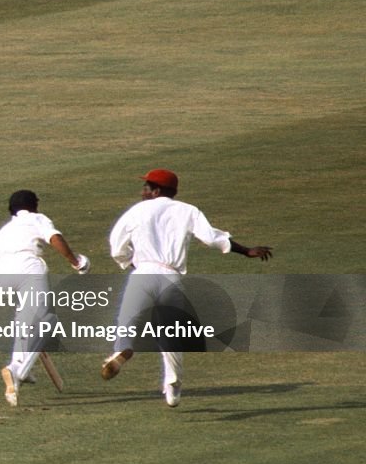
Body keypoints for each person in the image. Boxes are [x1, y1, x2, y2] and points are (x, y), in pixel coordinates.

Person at [102, 169, 272, 407]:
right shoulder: (188, 210)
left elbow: (116, 245)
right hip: (170, 276)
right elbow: (212, 237)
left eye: (146, 187)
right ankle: (172, 384)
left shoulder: (137, 211)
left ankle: (122, 350)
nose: (143, 192)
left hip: (143, 273)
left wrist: (128, 262)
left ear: (156, 190)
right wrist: (246, 251)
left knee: (126, 321)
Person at [0, 190, 90, 407]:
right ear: (34, 205)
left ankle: (19, 366)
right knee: (48, 321)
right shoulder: (36, 218)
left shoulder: (6, 229)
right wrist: (76, 262)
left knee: (25, 321)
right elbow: (54, 237)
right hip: (27, 267)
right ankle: (17, 370)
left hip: (0, 274)